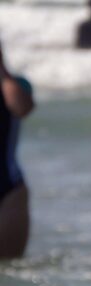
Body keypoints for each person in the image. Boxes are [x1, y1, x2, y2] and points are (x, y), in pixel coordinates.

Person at [0, 39, 34, 260]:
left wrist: (2, 72)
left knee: (10, 269)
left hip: (7, 190)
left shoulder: (16, 86)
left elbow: (21, 108)